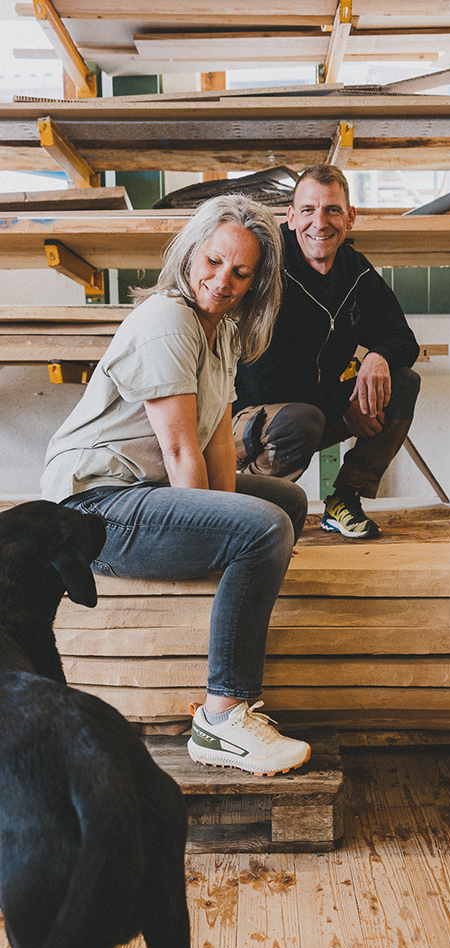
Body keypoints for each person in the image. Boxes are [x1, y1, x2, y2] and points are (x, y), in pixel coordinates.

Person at [41, 195, 311, 777]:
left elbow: (216, 440)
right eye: (213, 262)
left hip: (146, 491)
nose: (223, 281)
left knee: (283, 503)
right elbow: (180, 450)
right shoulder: (168, 319)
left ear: (258, 279)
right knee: (263, 528)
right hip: (94, 507)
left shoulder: (222, 331)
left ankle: (241, 582)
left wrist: (228, 530)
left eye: (242, 272)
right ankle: (222, 718)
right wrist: (230, 534)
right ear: (190, 254)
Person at [233, 163, 421, 540]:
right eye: (308, 210)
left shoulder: (356, 273)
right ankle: (248, 512)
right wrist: (344, 407)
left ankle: (345, 500)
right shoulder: (269, 268)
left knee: (401, 383)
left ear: (350, 217)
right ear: (290, 217)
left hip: (315, 412)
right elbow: (271, 378)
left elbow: (405, 339)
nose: (320, 222)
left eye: (332, 210)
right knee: (300, 421)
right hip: (247, 418)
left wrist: (377, 356)